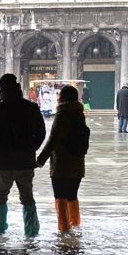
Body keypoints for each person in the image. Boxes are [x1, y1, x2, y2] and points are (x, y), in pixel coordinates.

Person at [0, 73, 46, 236]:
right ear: (18, 88)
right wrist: (32, 148)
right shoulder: (31, 108)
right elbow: (41, 133)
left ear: (1, 90)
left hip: (3, 163)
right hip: (25, 162)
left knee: (0, 198)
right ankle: (31, 233)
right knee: (27, 198)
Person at [37, 85, 86, 232]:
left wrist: (40, 159)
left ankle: (64, 229)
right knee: (72, 196)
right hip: (77, 163)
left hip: (61, 164)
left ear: (62, 98)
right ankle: (75, 224)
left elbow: (53, 140)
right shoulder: (80, 114)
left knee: (60, 196)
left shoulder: (61, 115)